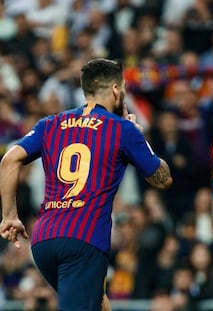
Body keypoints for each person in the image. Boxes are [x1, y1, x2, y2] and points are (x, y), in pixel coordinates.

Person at [0, 58, 173, 311]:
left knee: (98, 304)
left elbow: (9, 159)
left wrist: (9, 216)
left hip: (43, 241)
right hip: (83, 239)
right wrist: (138, 133)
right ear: (116, 89)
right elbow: (163, 178)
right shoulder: (123, 129)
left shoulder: (50, 123)